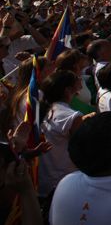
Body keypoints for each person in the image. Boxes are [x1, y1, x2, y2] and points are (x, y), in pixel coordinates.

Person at [38, 69, 91, 198]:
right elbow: (83, 151)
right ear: (68, 90)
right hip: (66, 185)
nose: (80, 81)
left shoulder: (42, 109)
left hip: (44, 183)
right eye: (77, 80)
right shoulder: (71, 116)